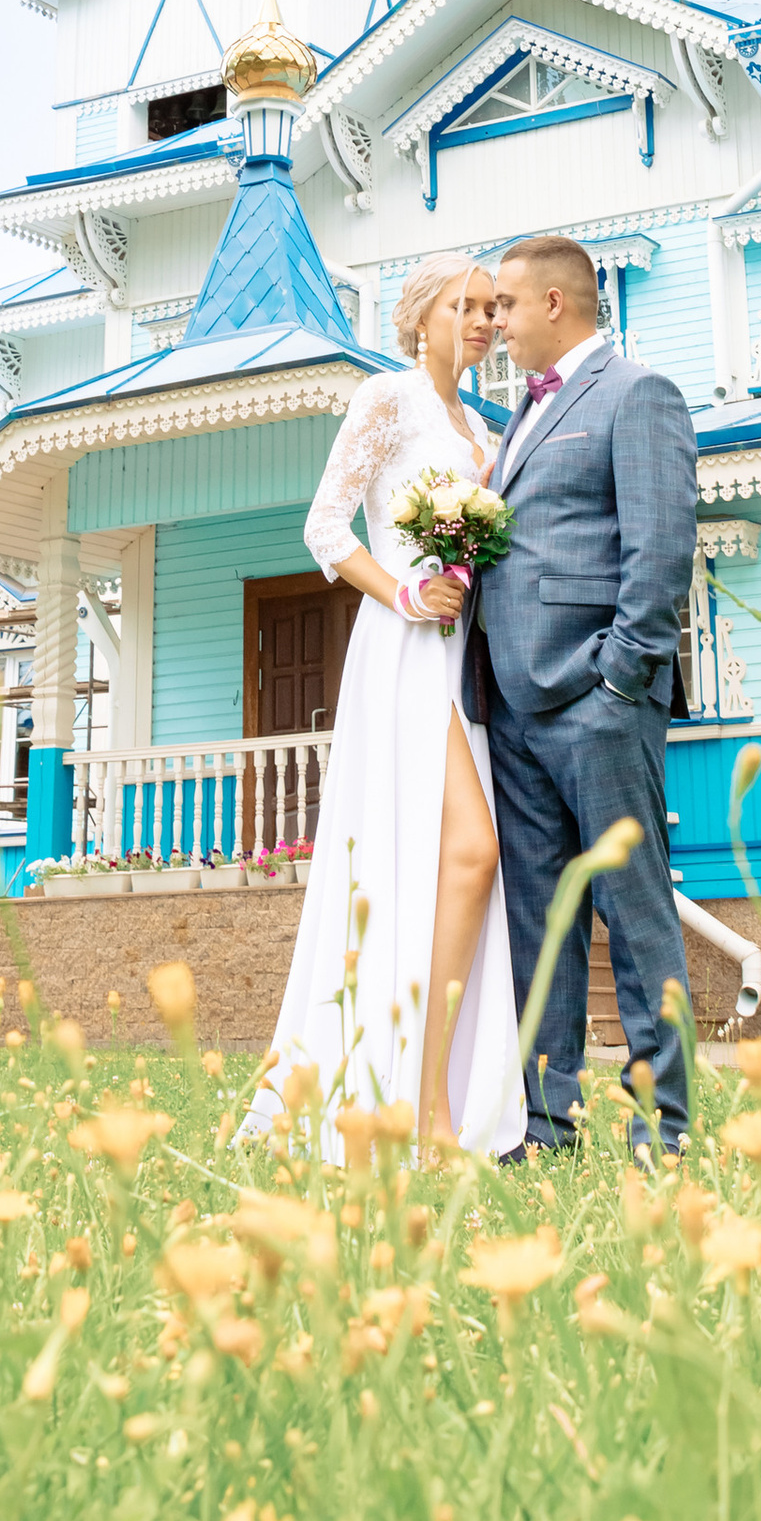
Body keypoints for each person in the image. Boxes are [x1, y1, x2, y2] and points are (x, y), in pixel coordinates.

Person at [242, 256, 526, 1157]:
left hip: (462, 653)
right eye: (463, 305)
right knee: (473, 851)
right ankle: (426, 1104)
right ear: (422, 317)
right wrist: (405, 593)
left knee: (451, 864)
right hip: (403, 646)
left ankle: (430, 1092)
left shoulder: (481, 426)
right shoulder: (386, 399)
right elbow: (324, 527)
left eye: (489, 307)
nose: (481, 320)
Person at [469, 232, 698, 1152]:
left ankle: (662, 1131)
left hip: (599, 703)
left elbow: (661, 547)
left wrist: (619, 676)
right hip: (514, 707)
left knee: (633, 916)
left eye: (506, 306)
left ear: (554, 304)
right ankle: (543, 1126)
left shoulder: (637, 393)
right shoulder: (518, 415)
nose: (496, 323)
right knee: (540, 924)